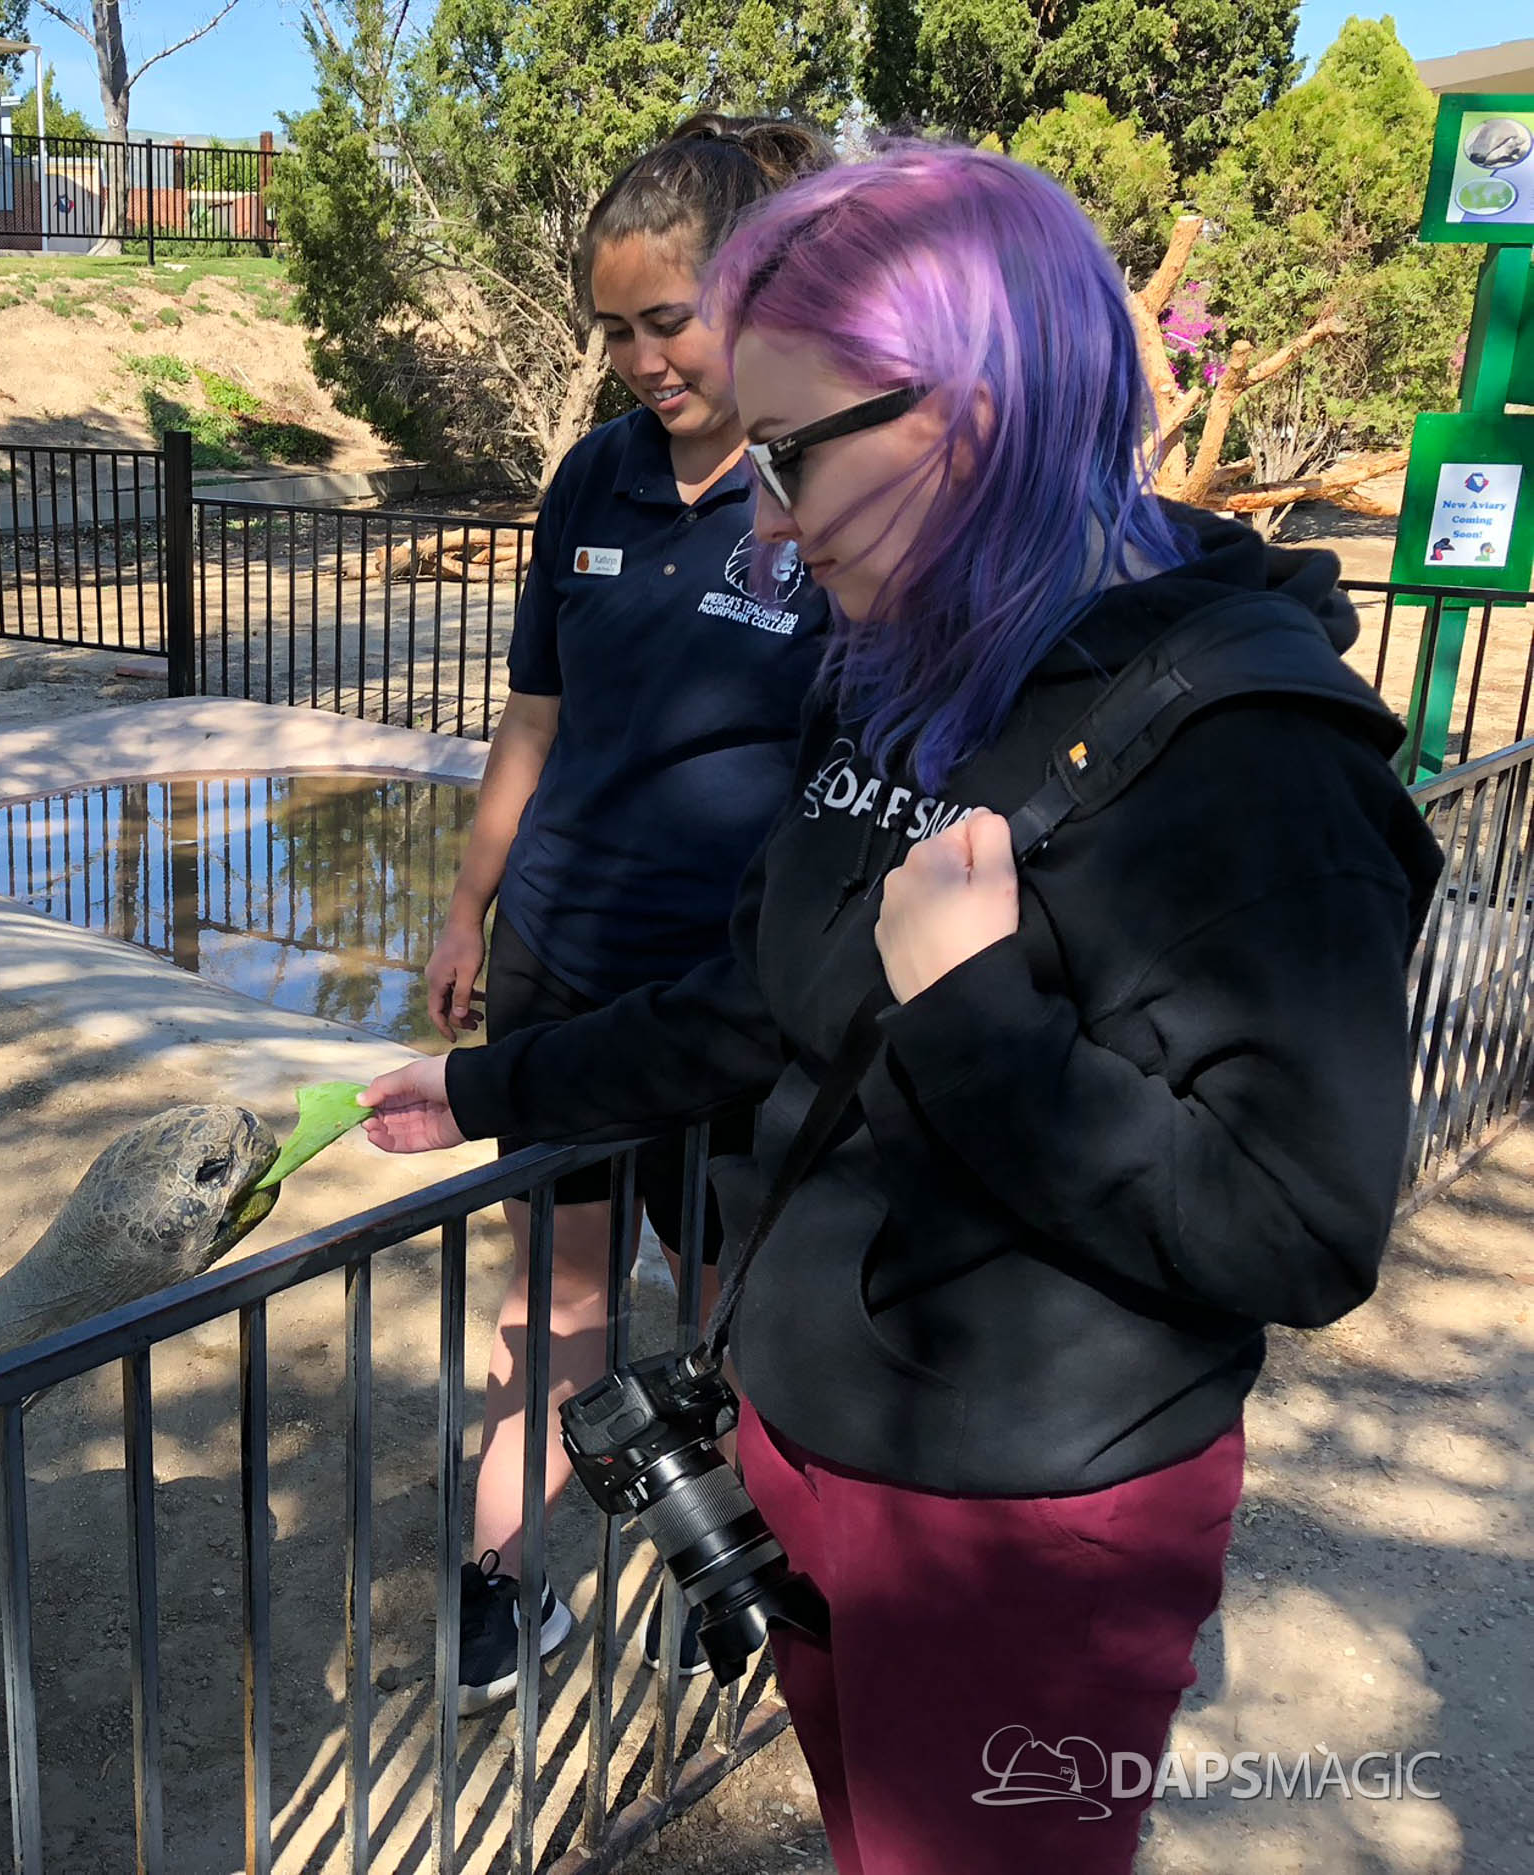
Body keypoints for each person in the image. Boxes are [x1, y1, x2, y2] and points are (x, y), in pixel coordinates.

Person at [361, 144, 1441, 1873]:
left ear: (975, 417)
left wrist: (979, 1009)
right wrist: (494, 1086)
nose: (768, 521)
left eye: (792, 453)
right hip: (813, 1444)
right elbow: (761, 1002)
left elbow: (1298, 1231)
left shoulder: (1256, 757)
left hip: (1032, 1515)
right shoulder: (894, 669)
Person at [424, 112, 833, 1715]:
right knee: (554, 1302)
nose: (641, 361)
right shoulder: (591, 476)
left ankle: (729, 1570)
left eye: (669, 321)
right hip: (563, 965)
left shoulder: (820, 490)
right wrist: (468, 909)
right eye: (613, 331)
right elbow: (534, 716)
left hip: (731, 995)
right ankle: (495, 1590)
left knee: (732, 1307)